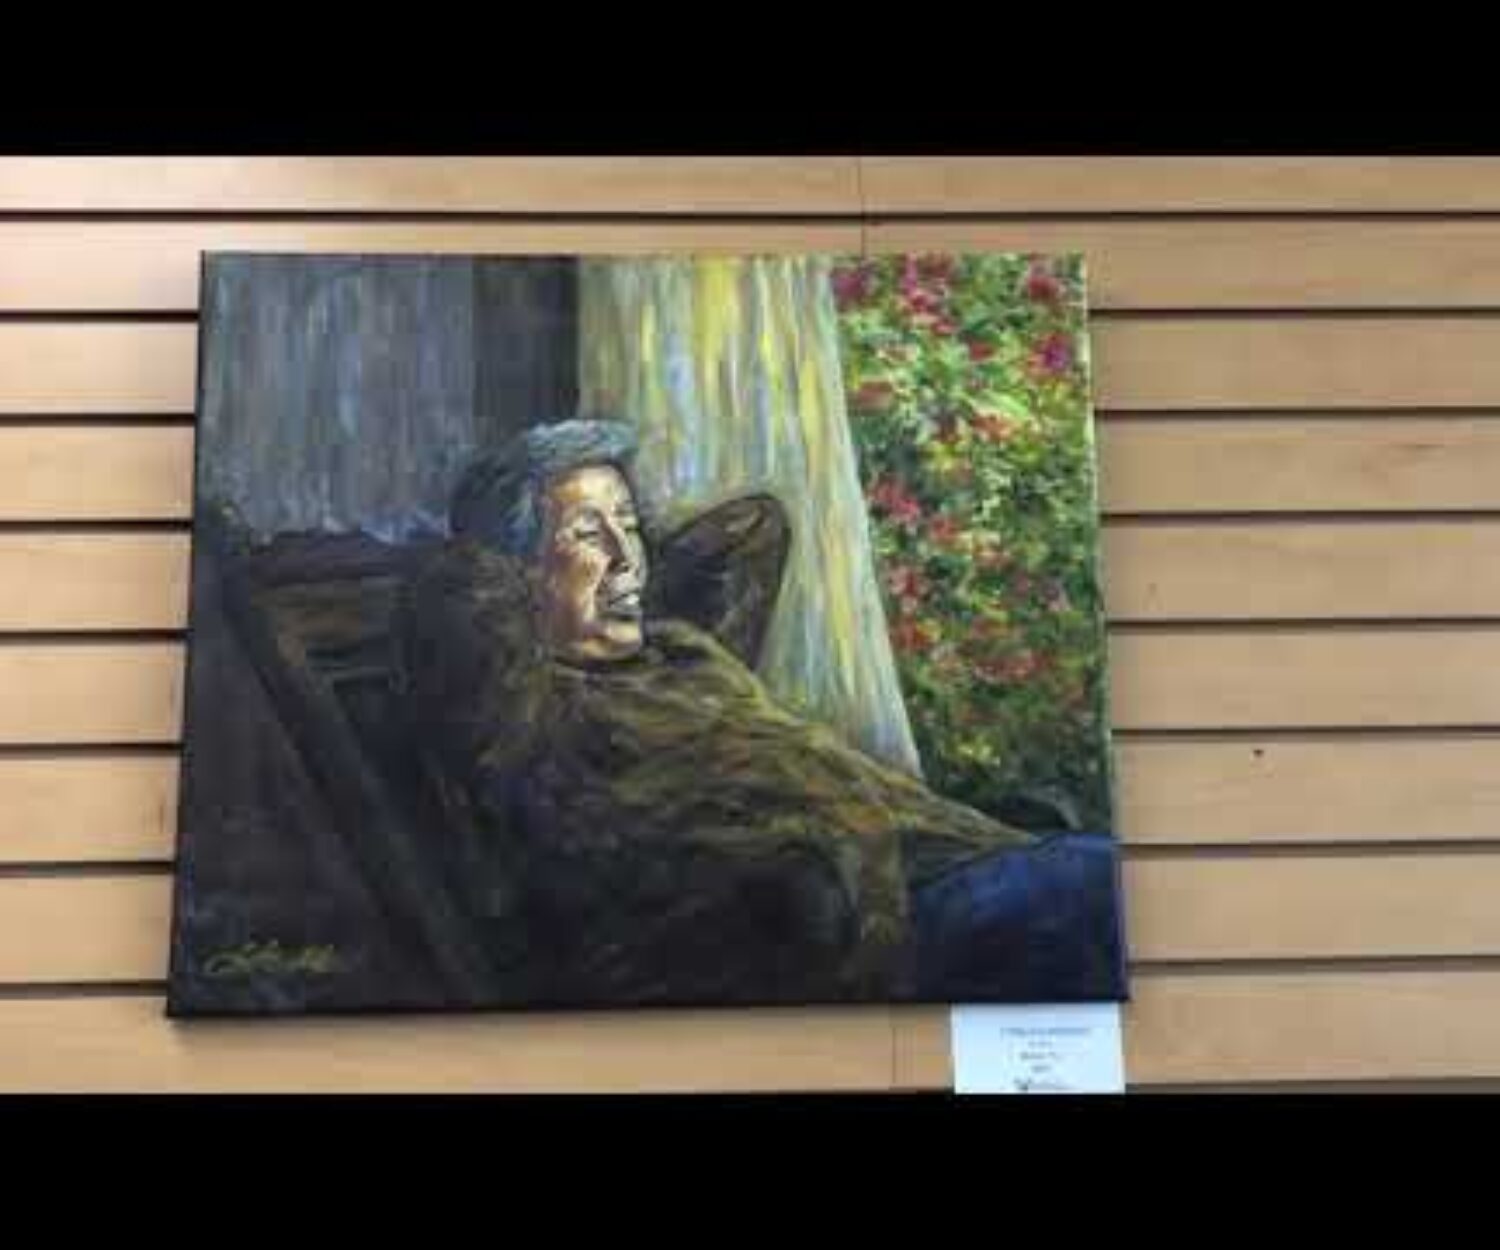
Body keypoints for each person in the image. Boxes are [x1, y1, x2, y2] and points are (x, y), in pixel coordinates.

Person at [394, 419, 1124, 1007]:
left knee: (1104, 883)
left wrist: (607, 555)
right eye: (588, 534)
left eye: (631, 525)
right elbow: (450, 584)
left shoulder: (680, 652)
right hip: (873, 921)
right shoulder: (527, 708)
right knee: (1112, 896)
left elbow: (755, 526)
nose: (628, 558)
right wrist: (495, 551)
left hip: (955, 861)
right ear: (516, 577)